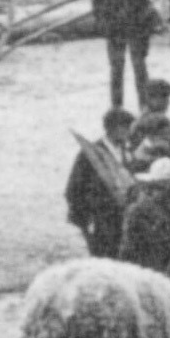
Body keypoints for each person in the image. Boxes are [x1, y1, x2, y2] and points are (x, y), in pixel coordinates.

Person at [91, 0, 157, 111]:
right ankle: (117, 107)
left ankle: (145, 106)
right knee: (116, 70)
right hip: (115, 29)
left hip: (137, 27)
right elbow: (97, 0)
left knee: (139, 68)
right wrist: (102, 23)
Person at [65, 108, 136, 257]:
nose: (130, 132)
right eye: (126, 128)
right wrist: (86, 221)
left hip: (121, 219)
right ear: (114, 129)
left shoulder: (125, 150)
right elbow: (73, 189)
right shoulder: (90, 154)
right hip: (101, 221)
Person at [130, 78, 170, 168]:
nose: (168, 102)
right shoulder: (158, 120)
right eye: (164, 97)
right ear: (150, 98)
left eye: (168, 97)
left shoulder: (139, 120)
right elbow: (167, 151)